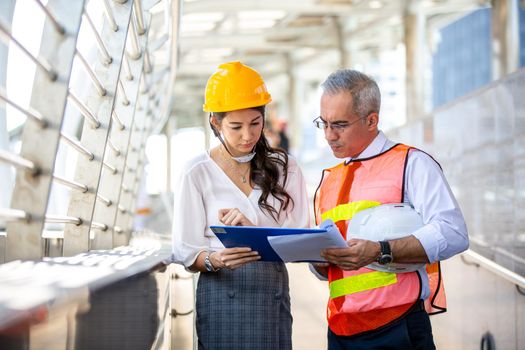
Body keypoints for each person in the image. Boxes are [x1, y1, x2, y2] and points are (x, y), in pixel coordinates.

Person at [310, 69, 469, 349]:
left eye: (339, 125)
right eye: (323, 123)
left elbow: (454, 233)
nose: (328, 135)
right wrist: (318, 261)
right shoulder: (329, 178)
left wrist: (381, 250)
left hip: (397, 328)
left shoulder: (412, 163)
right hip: (339, 330)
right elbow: (328, 272)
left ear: (372, 120)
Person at [172, 61, 310, 350]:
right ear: (215, 122)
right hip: (222, 292)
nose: (247, 136)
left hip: (270, 292)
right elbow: (185, 250)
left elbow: (301, 238)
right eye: (235, 126)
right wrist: (216, 260)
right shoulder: (196, 172)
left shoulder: (285, 168)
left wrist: (255, 233)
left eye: (255, 123)